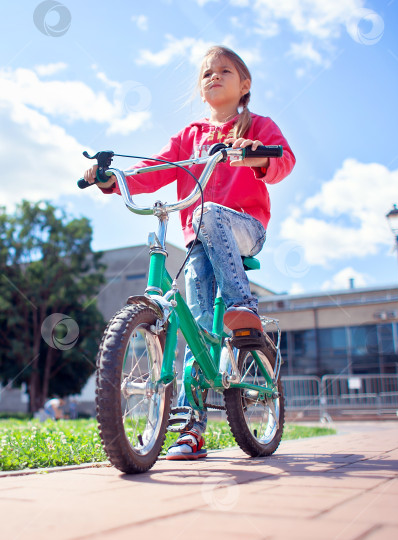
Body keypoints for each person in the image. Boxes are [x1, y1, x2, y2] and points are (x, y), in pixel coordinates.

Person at [84, 45, 295, 460]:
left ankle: (242, 306)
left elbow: (284, 161)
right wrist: (112, 178)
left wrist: (256, 156)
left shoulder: (259, 126)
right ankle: (192, 428)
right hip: (200, 238)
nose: (213, 77)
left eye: (224, 71)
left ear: (244, 84)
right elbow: (155, 169)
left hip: (244, 229)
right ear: (200, 90)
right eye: (206, 74)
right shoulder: (189, 137)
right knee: (197, 329)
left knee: (211, 212)